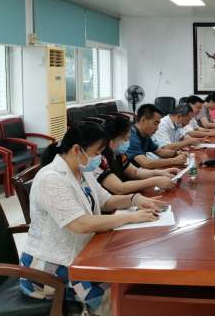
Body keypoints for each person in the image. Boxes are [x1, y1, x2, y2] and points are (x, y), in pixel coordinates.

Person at [20, 122, 165, 316]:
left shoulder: (82, 171)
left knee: (125, 278)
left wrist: (134, 199)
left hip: (81, 252)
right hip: (49, 267)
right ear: (76, 150)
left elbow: (106, 201)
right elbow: (80, 224)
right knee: (115, 293)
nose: (100, 158)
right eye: (97, 153)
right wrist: (130, 217)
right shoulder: (51, 179)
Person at [95, 117, 179, 194]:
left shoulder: (118, 153)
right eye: (125, 139)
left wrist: (159, 173)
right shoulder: (98, 158)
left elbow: (135, 172)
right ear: (109, 139)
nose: (128, 142)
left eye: (128, 138)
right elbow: (119, 188)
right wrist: (154, 181)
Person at [127, 104, 188, 169]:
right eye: (155, 124)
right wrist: (174, 161)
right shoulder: (130, 137)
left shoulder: (145, 136)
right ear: (143, 120)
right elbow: (145, 163)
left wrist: (176, 153)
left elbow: (160, 152)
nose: (157, 128)